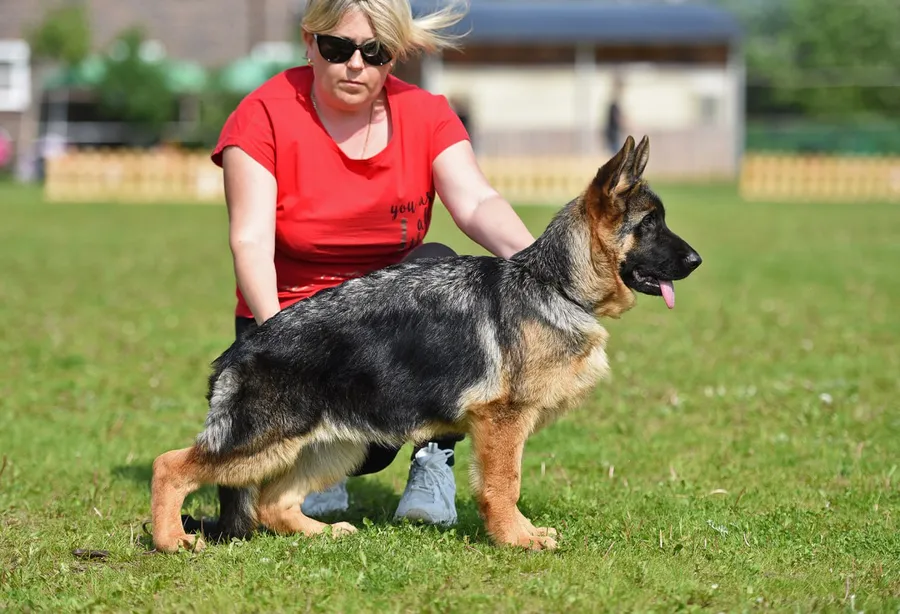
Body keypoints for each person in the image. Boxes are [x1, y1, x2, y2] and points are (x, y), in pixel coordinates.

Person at [199, 0, 536, 537]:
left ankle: (433, 460)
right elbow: (251, 239)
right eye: (337, 48)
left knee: (442, 270)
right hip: (292, 322)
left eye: (374, 52)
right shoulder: (262, 114)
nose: (355, 64)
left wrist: (543, 270)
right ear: (309, 42)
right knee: (277, 449)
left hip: (385, 334)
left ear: (394, 56)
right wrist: (289, 348)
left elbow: (476, 203)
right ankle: (312, 474)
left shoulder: (425, 113)